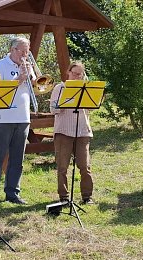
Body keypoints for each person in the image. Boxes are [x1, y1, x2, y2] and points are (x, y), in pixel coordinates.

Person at [0, 37, 36, 205]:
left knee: (17, 159)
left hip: (23, 118)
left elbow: (36, 88)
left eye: (27, 51)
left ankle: (12, 193)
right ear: (12, 49)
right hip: (3, 118)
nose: (25, 54)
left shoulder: (27, 65)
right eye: (22, 51)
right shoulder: (0, 65)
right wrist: (20, 79)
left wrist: (33, 78)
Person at [49, 62, 94, 204]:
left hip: (82, 131)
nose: (76, 76)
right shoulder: (60, 88)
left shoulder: (86, 88)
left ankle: (87, 196)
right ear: (68, 73)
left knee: (85, 166)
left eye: (79, 74)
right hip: (63, 131)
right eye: (74, 73)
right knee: (62, 166)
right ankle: (64, 197)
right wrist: (63, 104)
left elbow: (91, 108)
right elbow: (52, 109)